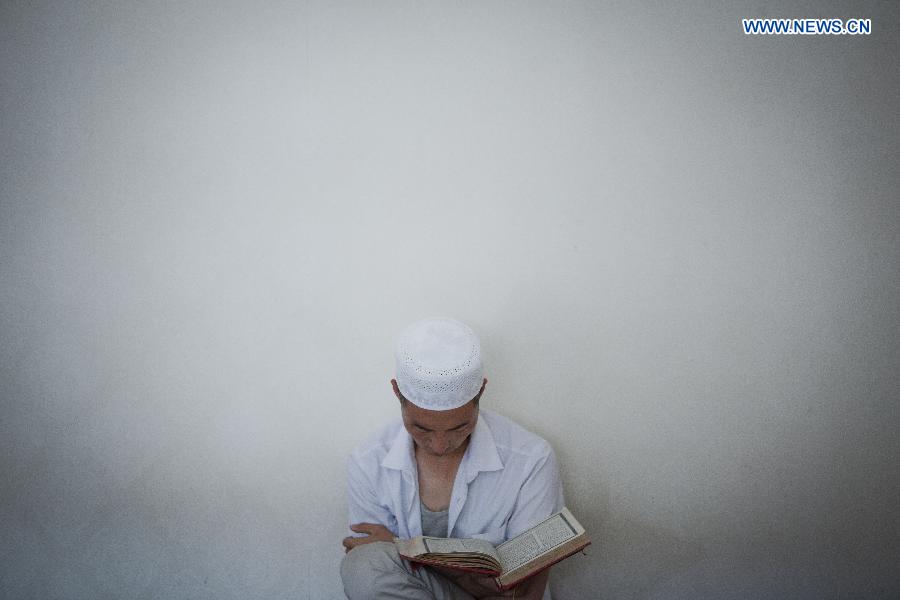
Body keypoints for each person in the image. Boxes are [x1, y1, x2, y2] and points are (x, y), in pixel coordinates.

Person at [340, 318, 564, 600]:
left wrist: (402, 548)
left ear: (481, 391)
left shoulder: (531, 459)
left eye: (459, 427)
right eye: (422, 428)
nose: (440, 445)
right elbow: (375, 572)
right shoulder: (368, 462)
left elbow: (524, 591)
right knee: (364, 565)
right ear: (397, 392)